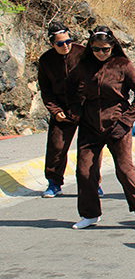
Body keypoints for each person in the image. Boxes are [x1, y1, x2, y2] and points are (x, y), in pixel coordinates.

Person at [67, 27, 135, 231]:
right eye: (96, 49)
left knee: (124, 169)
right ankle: (90, 214)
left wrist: (125, 122)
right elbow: (70, 87)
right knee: (85, 171)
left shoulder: (123, 65)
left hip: (117, 124)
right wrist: (77, 112)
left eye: (105, 49)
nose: (101, 53)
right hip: (89, 124)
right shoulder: (84, 65)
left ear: (112, 46)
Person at [38, 22, 86, 198]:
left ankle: (91, 184)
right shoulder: (45, 61)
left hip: (84, 107)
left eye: (68, 41)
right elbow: (46, 89)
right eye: (60, 43)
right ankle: (54, 183)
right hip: (62, 109)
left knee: (87, 149)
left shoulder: (83, 54)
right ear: (52, 44)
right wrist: (54, 110)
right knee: (56, 147)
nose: (66, 46)